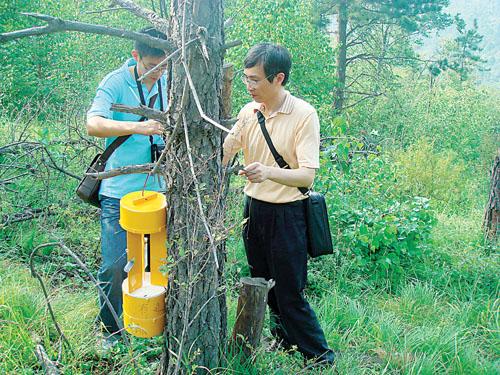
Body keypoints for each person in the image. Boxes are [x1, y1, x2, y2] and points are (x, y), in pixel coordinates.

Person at [222, 43, 335, 365]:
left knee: (289, 291)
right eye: (246, 78)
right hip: (253, 209)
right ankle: (283, 341)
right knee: (262, 281)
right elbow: (227, 148)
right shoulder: (249, 112)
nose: (249, 86)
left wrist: (267, 172)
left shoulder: (303, 114)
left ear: (279, 78)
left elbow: (307, 177)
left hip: (288, 214)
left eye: (256, 80)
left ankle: (320, 356)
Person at [86, 27, 167, 346]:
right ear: (136, 57)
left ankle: (152, 326)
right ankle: (110, 331)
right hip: (118, 192)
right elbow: (94, 123)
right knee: (115, 265)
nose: (158, 72)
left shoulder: (168, 80)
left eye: (164, 66)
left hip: (158, 191)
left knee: (156, 265)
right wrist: (138, 126)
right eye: (151, 66)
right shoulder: (116, 82)